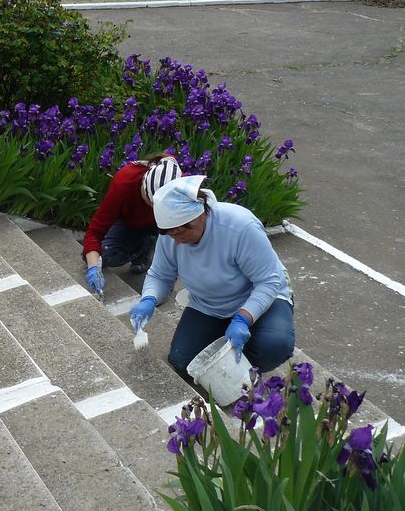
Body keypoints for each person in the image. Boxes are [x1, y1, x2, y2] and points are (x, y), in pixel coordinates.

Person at [129, 175, 295, 376]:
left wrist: (243, 318)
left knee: (273, 346)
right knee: (182, 361)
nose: (178, 242)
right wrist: (148, 298)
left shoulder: (240, 227)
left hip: (260, 297)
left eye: (180, 234)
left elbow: (268, 282)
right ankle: (227, 335)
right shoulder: (172, 236)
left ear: (199, 217)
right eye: (171, 235)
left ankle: (247, 367)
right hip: (209, 304)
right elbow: (160, 275)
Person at [83, 155, 182, 294]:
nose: (155, 210)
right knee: (103, 254)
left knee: (175, 246)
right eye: (151, 203)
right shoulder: (124, 183)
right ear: (144, 186)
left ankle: (154, 252)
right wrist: (93, 267)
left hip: (164, 228)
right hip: (131, 223)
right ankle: (144, 247)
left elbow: (186, 238)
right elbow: (94, 232)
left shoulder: (179, 184)